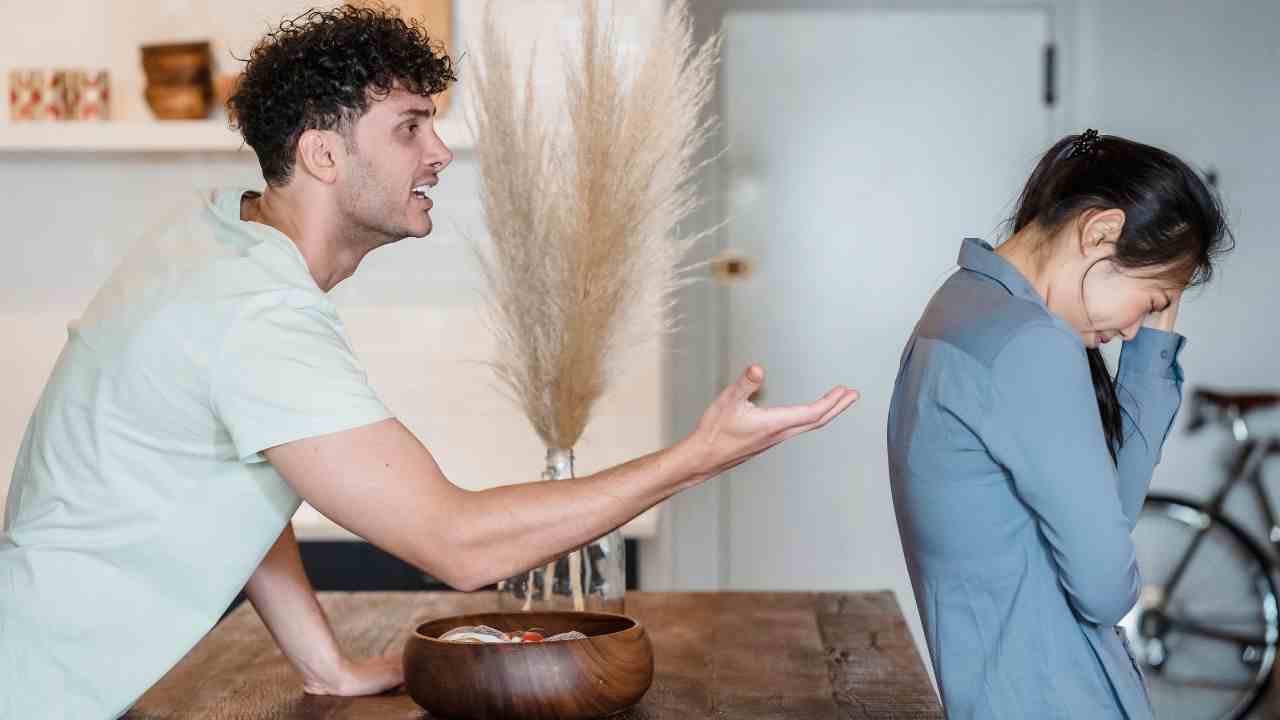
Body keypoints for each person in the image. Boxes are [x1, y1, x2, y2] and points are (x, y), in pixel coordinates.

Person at [0, 8, 858, 719]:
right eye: (410, 127)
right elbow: (458, 544)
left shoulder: (216, 237)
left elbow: (246, 480)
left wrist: (327, 666)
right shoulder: (253, 313)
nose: (439, 152)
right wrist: (696, 458)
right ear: (323, 155)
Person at [887, 129, 1232, 719]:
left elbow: (1104, 516)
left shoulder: (958, 306)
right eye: (1154, 300)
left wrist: (1149, 352)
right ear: (1100, 232)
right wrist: (1149, 363)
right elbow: (1104, 587)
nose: (1135, 329)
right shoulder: (1031, 345)